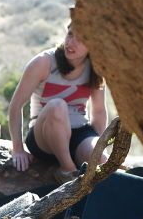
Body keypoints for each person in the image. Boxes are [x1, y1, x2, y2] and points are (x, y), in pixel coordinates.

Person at [8, 20, 107, 184]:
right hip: (43, 136)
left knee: (103, 162)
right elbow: (16, 105)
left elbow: (98, 112)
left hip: (79, 133)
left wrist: (99, 147)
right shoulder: (44, 62)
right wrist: (18, 149)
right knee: (57, 105)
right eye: (70, 34)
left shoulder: (96, 68)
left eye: (80, 39)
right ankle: (67, 170)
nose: (71, 42)